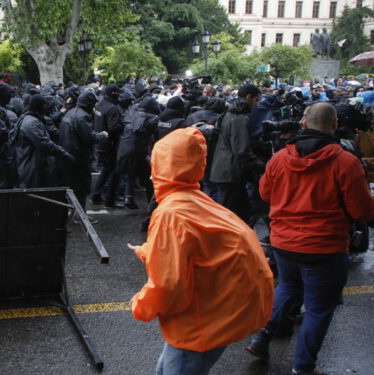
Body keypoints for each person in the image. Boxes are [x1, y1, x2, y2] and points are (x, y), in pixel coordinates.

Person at [129, 128, 274, 375]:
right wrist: (147, 250)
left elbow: (169, 285)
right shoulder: (197, 200)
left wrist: (140, 305)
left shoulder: (171, 213)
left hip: (203, 320)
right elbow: (199, 249)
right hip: (226, 310)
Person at [245, 102, 374, 375]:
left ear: (303, 122)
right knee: (318, 309)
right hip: (325, 247)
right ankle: (302, 368)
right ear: (335, 124)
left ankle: (261, 337)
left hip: (284, 243)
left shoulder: (280, 157)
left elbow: (265, 194)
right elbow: (361, 210)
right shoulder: (346, 162)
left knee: (288, 288)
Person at [209, 84, 265, 223]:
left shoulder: (230, 113)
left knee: (238, 212)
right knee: (233, 216)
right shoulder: (240, 118)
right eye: (256, 100)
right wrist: (262, 166)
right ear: (249, 97)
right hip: (230, 173)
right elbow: (241, 150)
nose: (256, 105)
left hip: (225, 171)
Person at [58, 90, 108, 211]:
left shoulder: (70, 113)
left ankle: (73, 213)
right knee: (81, 187)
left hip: (68, 154)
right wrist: (103, 135)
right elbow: (89, 137)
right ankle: (81, 214)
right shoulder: (82, 116)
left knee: (72, 185)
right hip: (79, 156)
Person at [15, 95, 76, 188]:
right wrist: (65, 155)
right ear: (41, 106)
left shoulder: (30, 119)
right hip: (33, 168)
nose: (46, 108)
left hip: (33, 164)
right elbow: (45, 144)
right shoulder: (32, 123)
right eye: (45, 105)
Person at [91, 84, 124, 207]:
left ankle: (96, 194)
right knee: (115, 172)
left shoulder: (100, 105)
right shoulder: (112, 108)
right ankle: (110, 200)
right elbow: (113, 127)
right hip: (110, 145)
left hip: (100, 143)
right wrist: (123, 125)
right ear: (114, 94)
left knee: (106, 169)